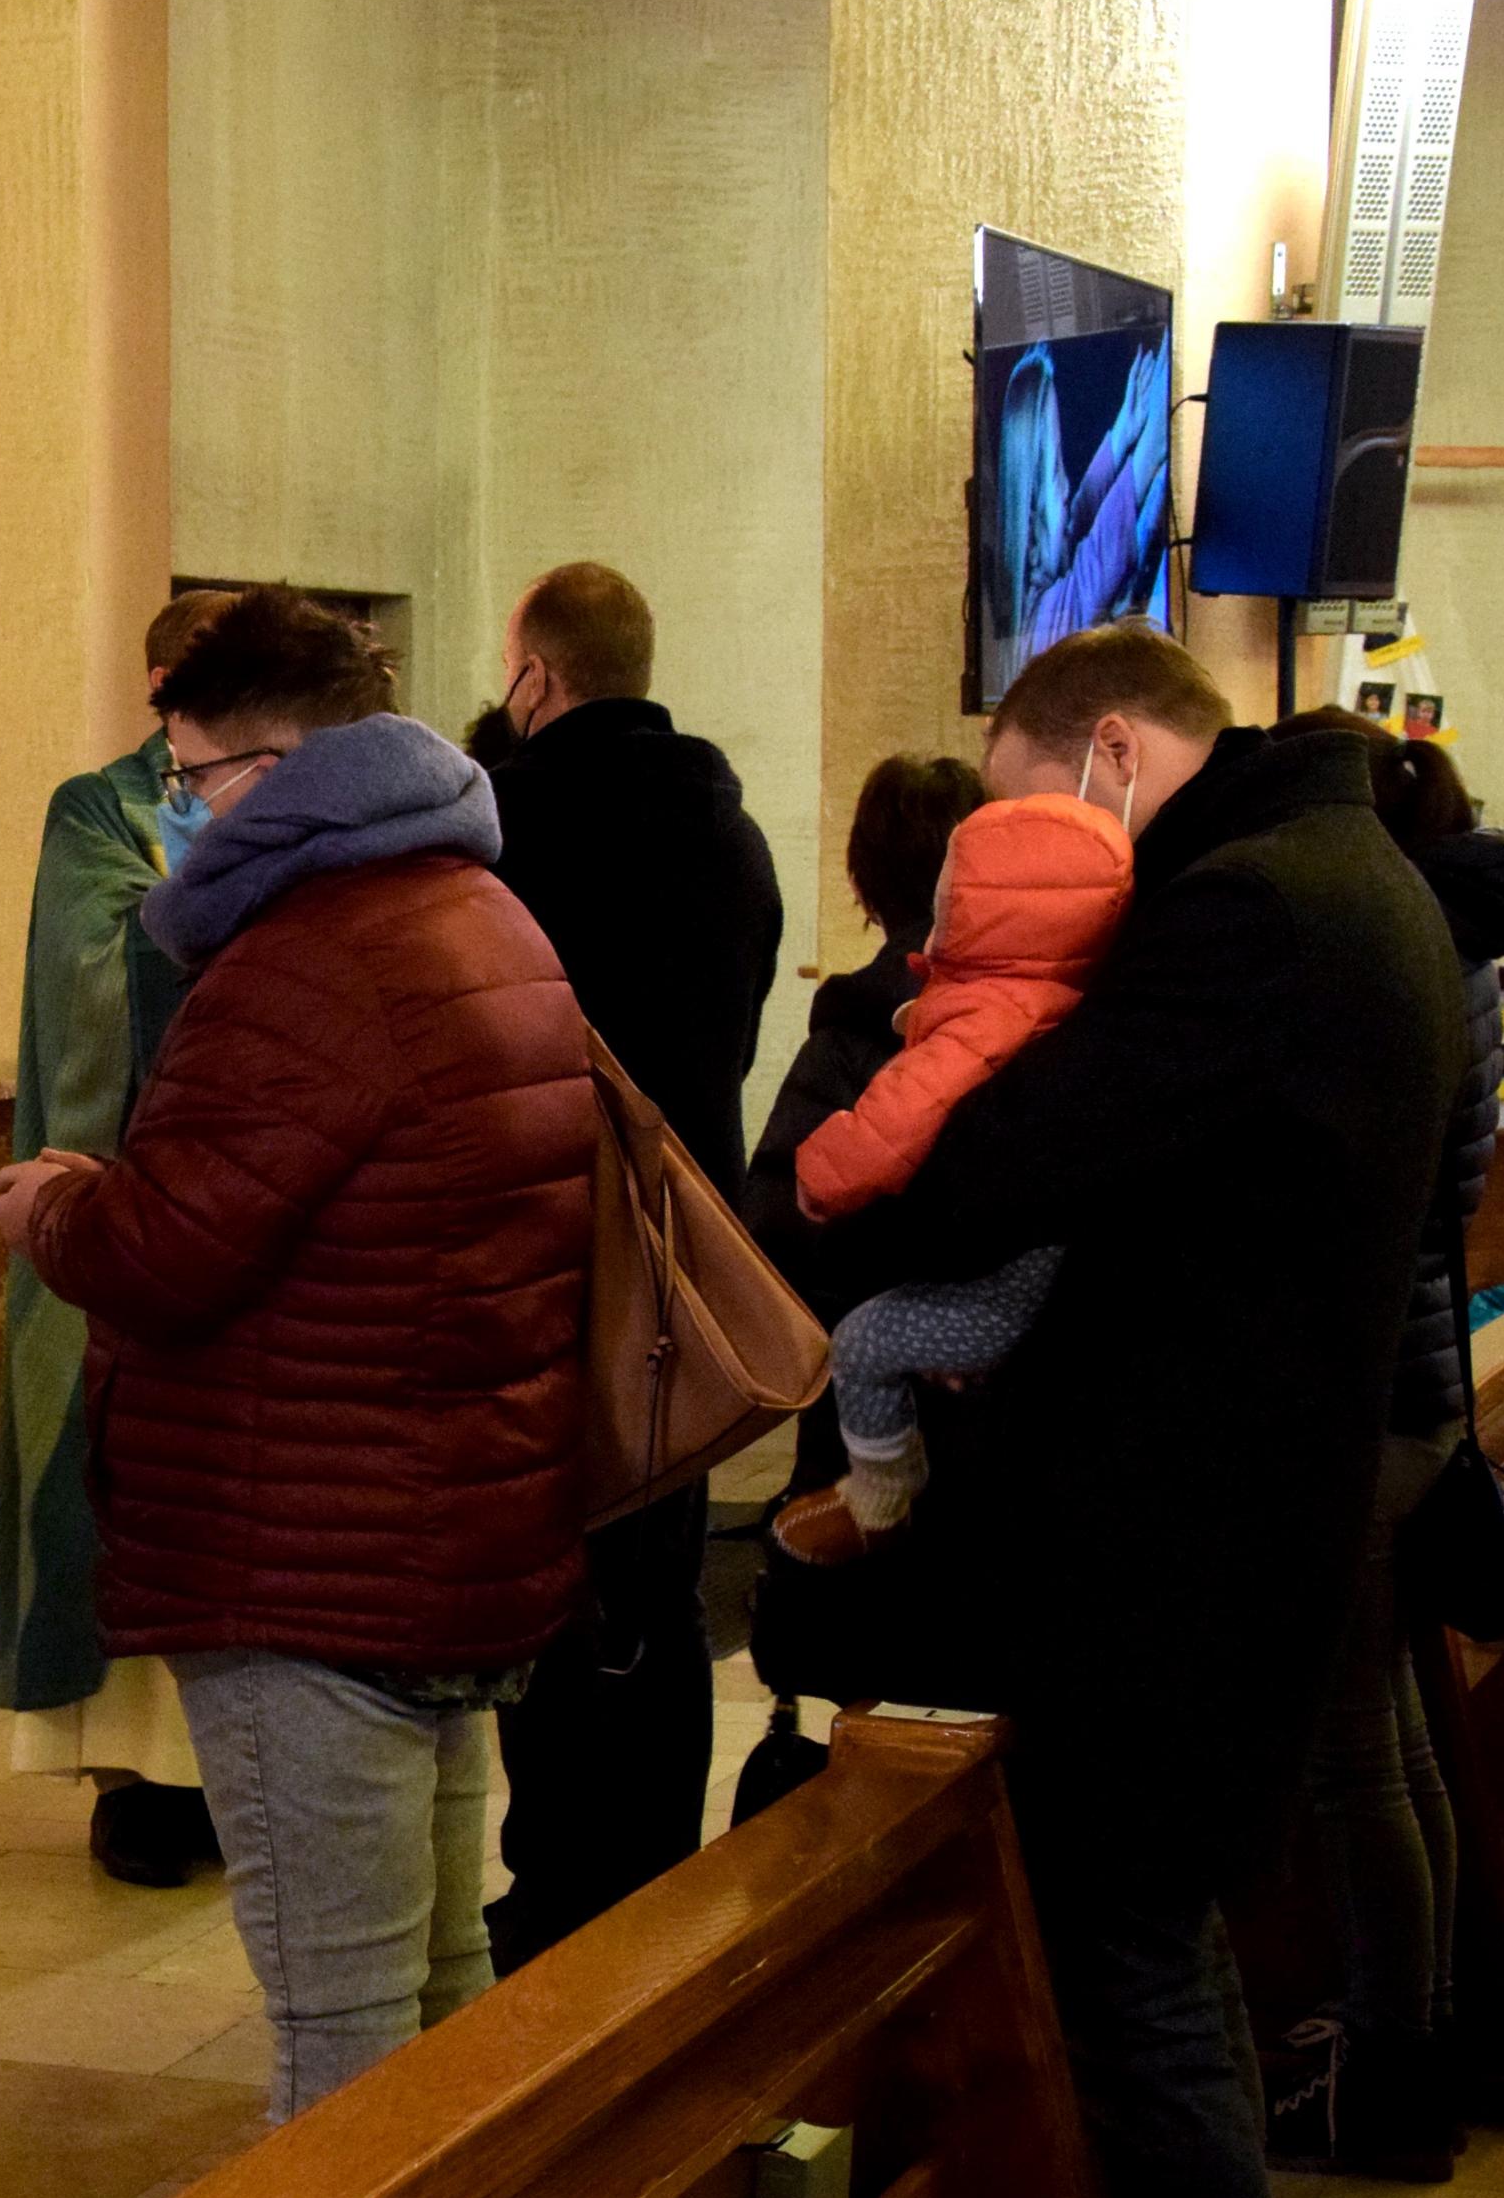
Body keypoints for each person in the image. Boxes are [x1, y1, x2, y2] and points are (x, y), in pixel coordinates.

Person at [804, 623, 1460, 2198]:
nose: (1027, 858)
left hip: (1163, 1564)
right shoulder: (1347, 875)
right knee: (1151, 1982)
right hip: (1228, 1543)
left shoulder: (1247, 913)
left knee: (1140, 1999)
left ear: (1101, 749)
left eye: (1020, 809)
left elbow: (993, 1170)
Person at [0, 587, 598, 2122]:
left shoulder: (306, 959)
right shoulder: (478, 907)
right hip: (444, 1524)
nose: (183, 812)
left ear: (270, 768)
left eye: (191, 778)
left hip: (310, 1551)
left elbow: (167, 1252)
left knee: (341, 2039)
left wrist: (56, 1206)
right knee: (441, 1979)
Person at [479, 559, 784, 1967]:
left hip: (550, 1250)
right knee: (662, 1572)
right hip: (687, 1247)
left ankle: (559, 1893)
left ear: (537, 677)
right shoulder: (731, 833)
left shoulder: (512, 828)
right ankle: (657, 1871)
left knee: (555, 1580)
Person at [1264, 729, 1504, 2184]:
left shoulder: (1400, 950)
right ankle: (1413, 2037)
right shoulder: (1457, 949)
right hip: (1420, 1382)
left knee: (1356, 1759)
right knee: (1398, 1742)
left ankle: (1393, 2070)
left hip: (1371, 1393)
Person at [0, 587, 239, 1890]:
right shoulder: (100, 807)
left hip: (237, 1202)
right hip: (124, 1181)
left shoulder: (285, 796)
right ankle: (137, 1778)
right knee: (108, 1478)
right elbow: (93, 965)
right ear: (155, 683)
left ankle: (229, 1770)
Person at [765, 789, 1135, 1564]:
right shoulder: (1083, 1003)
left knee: (865, 1341)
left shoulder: (973, 1020)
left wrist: (822, 1174)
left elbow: (896, 1118)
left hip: (995, 1298)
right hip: (1051, 1328)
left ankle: (879, 1497)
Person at [744, 752, 988, 1489]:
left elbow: (776, 1232)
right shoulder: (1055, 1020)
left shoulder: (847, 1041)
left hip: (856, 1436)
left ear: (863, 881)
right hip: (1016, 1431)